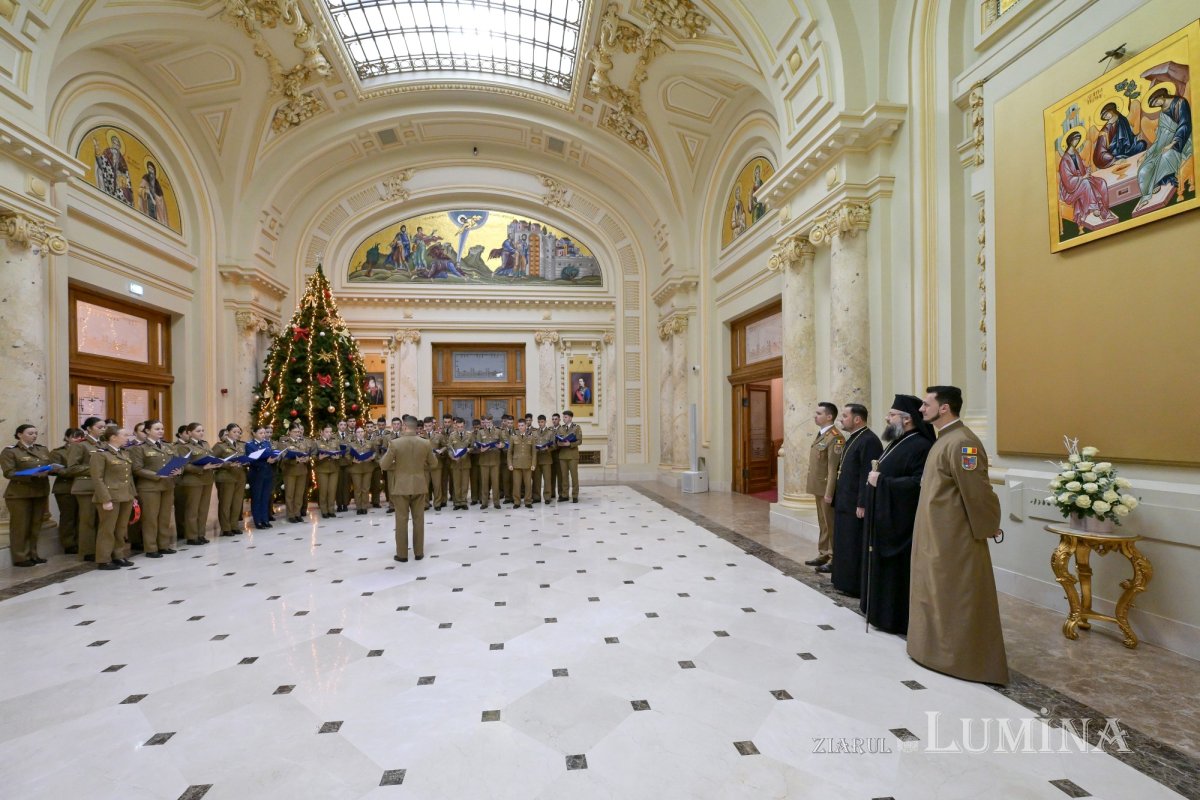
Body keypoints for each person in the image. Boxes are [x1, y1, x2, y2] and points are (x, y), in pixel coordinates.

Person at [908, 386, 1008, 685]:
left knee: (958, 595)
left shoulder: (963, 443)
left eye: (927, 404)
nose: (921, 408)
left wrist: (990, 525)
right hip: (935, 533)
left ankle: (961, 658)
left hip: (954, 536)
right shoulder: (943, 440)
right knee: (936, 592)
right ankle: (933, 649)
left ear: (944, 408)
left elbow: (977, 492)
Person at [861, 395, 933, 633]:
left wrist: (882, 481)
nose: (886, 418)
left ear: (907, 419)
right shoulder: (897, 441)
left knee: (896, 574)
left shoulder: (921, 445)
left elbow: (918, 483)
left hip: (901, 522)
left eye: (891, 414)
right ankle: (877, 612)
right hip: (884, 515)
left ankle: (894, 618)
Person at [827, 404, 882, 591]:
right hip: (844, 501)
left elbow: (866, 475)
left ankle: (853, 585)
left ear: (857, 419)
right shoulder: (853, 439)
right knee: (843, 543)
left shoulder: (869, 440)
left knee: (853, 545)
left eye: (845, 416)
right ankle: (842, 581)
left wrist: (862, 502)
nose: (841, 419)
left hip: (855, 505)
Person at [1, 424, 61, 566]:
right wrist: (31, 474)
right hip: (19, 494)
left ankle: (33, 553)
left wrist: (53, 470)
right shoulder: (10, 452)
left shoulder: (42, 449)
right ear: (20, 434)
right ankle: (20, 557)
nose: (34, 435)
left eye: (35, 433)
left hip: (39, 492)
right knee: (20, 526)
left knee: (35, 525)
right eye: (30, 433)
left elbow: (48, 465)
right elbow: (8, 472)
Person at [379, 416, 437, 562]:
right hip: (419, 485)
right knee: (419, 520)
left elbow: (384, 465)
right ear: (416, 427)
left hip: (401, 486)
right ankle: (419, 553)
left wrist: (396, 466)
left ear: (404, 426)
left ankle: (402, 554)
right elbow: (434, 464)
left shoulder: (395, 443)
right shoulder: (425, 443)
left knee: (401, 520)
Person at [129, 419, 182, 556]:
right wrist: (157, 475)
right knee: (150, 518)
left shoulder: (168, 446)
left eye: (162, 429)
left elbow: (177, 462)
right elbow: (137, 469)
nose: (161, 431)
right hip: (149, 487)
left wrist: (178, 470)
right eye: (157, 429)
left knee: (164, 517)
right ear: (147, 431)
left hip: (168, 485)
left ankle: (163, 545)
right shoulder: (140, 448)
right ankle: (151, 547)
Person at [1136, 87, 1193, 207]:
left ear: (1161, 95)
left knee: (1165, 157)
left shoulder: (1180, 103)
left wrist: (1173, 143)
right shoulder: (1162, 114)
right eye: (1153, 104)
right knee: (1143, 169)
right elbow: (1160, 138)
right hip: (1165, 144)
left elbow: (1185, 125)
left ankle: (1156, 182)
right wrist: (1147, 154)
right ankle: (1146, 194)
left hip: (1182, 142)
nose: (1156, 104)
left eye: (1155, 101)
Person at [804, 402, 844, 568]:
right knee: (822, 522)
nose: (815, 415)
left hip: (826, 488)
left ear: (829, 417)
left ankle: (834, 557)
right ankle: (823, 553)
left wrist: (829, 493)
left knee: (830, 523)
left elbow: (832, 468)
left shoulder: (836, 437)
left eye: (819, 413)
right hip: (818, 487)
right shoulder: (822, 435)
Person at [90, 425, 136, 570]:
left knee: (121, 528)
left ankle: (118, 555)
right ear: (113, 437)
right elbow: (97, 479)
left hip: (125, 495)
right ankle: (103, 559)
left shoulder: (124, 453)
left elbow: (129, 477)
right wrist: (105, 499)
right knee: (107, 529)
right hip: (110, 496)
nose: (127, 438)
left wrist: (133, 495)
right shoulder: (101, 454)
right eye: (124, 435)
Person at [66, 416, 106, 561]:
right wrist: (95, 469)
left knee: (101, 520)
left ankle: (100, 548)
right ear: (89, 428)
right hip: (86, 486)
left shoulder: (103, 444)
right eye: (99, 427)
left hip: (101, 487)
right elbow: (72, 468)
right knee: (87, 519)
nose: (103, 430)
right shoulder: (80, 445)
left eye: (104, 427)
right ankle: (87, 551)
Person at [1058, 130, 1117, 229]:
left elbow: (1081, 168)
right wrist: (1082, 178)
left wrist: (1087, 170)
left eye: (1078, 140)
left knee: (1101, 183)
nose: (1076, 142)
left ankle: (1104, 210)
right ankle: (1095, 208)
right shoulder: (1064, 161)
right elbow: (1067, 181)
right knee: (1086, 183)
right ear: (1070, 141)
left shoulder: (1076, 154)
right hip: (1071, 190)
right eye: (1075, 140)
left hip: (1081, 180)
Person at [176, 422, 221, 544]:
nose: (201, 433)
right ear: (189, 433)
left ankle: (201, 534)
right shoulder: (185, 447)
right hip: (193, 481)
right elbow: (184, 465)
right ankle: (191, 536)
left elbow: (211, 457)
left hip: (207, 479)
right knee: (193, 509)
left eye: (202, 431)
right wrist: (201, 468)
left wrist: (217, 463)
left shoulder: (205, 444)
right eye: (198, 431)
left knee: (203, 509)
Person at [49, 428, 84, 554]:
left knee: (82, 516)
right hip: (65, 488)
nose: (78, 439)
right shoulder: (58, 452)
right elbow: (54, 469)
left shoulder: (83, 449)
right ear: (67, 438)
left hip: (82, 486)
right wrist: (73, 471)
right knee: (68, 517)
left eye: (80, 437)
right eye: (75, 437)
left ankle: (81, 541)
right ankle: (69, 543)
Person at [212, 423, 247, 535]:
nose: (237, 434)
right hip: (225, 477)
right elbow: (213, 461)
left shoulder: (241, 445)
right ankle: (226, 527)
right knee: (226, 503)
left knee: (237, 503)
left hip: (239, 476)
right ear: (227, 433)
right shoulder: (220, 446)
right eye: (234, 432)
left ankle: (234, 525)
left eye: (239, 432)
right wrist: (228, 464)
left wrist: (246, 461)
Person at [1092, 101, 1147, 168]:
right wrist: (1113, 159)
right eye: (1104, 117)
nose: (1106, 117)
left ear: (1112, 110)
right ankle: (1119, 159)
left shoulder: (1122, 120)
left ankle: (1124, 157)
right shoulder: (1105, 131)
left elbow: (1129, 135)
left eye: (1106, 114)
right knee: (1114, 157)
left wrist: (1135, 138)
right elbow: (1100, 152)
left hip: (1127, 148)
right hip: (1114, 153)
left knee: (1142, 144)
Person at [245, 424, 280, 529]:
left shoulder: (267, 443)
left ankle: (265, 519)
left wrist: (273, 459)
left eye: (264, 433)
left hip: (267, 473)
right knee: (257, 497)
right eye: (261, 433)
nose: (263, 435)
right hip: (256, 473)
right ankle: (258, 521)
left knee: (265, 497)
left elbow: (270, 455)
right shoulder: (250, 445)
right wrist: (265, 460)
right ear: (254, 433)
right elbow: (251, 460)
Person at [278, 422, 313, 523]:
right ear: (289, 432)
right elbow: (283, 458)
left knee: (299, 494)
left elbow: (307, 454)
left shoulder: (303, 442)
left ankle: (297, 513)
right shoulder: (284, 442)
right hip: (290, 471)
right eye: (295, 432)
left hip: (302, 470)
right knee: (290, 494)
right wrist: (295, 460)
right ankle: (290, 514)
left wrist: (306, 459)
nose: (298, 433)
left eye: (298, 431)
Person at [314, 424, 343, 519]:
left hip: (334, 468)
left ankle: (331, 509)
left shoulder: (335, 441)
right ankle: (324, 510)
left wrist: (338, 456)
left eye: (330, 432)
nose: (329, 434)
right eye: (327, 432)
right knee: (323, 490)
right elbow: (313, 455)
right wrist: (319, 457)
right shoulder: (317, 442)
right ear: (321, 432)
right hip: (322, 469)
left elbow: (339, 453)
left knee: (332, 490)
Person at [473, 416, 503, 510]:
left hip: (495, 460)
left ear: (492, 421)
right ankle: (484, 502)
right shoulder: (480, 432)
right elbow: (477, 444)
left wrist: (501, 445)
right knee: (484, 483)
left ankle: (496, 502)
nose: (487, 424)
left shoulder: (498, 431)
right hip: (484, 461)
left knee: (495, 483)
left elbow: (503, 442)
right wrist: (480, 449)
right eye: (485, 422)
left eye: (489, 422)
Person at [507, 418, 537, 509]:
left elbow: (534, 452)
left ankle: (528, 501)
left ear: (525, 426)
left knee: (528, 484)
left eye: (522, 425)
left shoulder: (531, 437)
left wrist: (533, 464)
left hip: (528, 464)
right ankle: (517, 501)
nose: (520, 427)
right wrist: (510, 464)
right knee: (516, 484)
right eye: (519, 426)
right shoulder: (513, 437)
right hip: (516, 465)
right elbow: (509, 452)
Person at [347, 425, 377, 514]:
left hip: (367, 468)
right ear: (355, 434)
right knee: (357, 489)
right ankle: (359, 507)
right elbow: (347, 455)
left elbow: (375, 452)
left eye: (361, 432)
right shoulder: (351, 444)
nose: (360, 434)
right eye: (358, 432)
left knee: (366, 488)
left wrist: (372, 457)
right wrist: (353, 460)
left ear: (364, 433)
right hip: (356, 469)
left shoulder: (369, 442)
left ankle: (364, 506)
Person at [445, 417, 472, 511]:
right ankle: (457, 502)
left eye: (462, 426)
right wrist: (452, 456)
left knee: (465, 483)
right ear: (456, 426)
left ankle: (464, 501)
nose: (460, 428)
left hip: (465, 462)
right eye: (458, 426)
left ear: (464, 425)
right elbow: (449, 448)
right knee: (456, 483)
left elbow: (473, 446)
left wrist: (469, 449)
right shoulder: (452, 436)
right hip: (455, 463)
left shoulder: (469, 435)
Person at [557, 410, 583, 503]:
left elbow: (579, 441)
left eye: (566, 417)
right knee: (564, 477)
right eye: (563, 417)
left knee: (574, 476)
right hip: (563, 455)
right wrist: (560, 443)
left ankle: (575, 495)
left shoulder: (576, 428)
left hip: (572, 455)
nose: (564, 419)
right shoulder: (560, 428)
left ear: (570, 418)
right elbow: (557, 440)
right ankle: (565, 495)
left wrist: (570, 444)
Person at [533, 415, 555, 504]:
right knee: (536, 479)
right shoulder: (534, 433)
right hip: (537, 459)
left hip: (546, 459)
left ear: (545, 422)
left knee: (547, 479)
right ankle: (536, 497)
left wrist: (547, 449)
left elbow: (554, 445)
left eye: (542, 422)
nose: (540, 424)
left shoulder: (550, 432)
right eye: (539, 422)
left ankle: (547, 497)